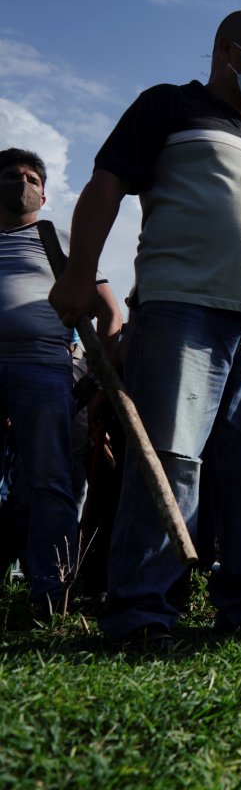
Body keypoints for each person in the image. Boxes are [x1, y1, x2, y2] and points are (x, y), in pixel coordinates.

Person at [49, 10, 241, 650]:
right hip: (182, 309)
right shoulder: (168, 106)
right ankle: (140, 610)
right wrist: (81, 274)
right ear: (229, 50)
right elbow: (106, 184)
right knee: (169, 460)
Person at [0, 148, 120, 616]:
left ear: (44, 194)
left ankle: (50, 593)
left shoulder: (59, 238)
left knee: (50, 480)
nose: (23, 182)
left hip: (44, 365)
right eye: (12, 175)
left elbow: (110, 314)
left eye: (32, 177)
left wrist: (93, 379)